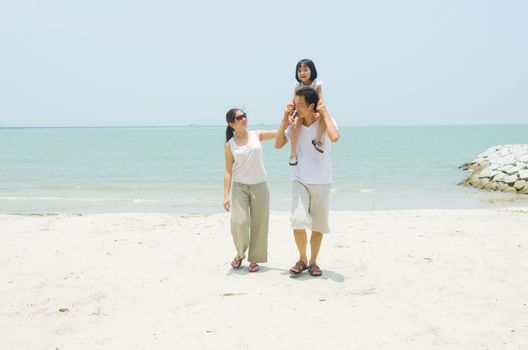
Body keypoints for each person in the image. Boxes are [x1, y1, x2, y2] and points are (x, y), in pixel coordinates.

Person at [275, 87, 339, 276]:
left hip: (322, 180)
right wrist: (284, 118)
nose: (296, 108)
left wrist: (325, 112)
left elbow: (335, 137)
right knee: (298, 220)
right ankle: (302, 259)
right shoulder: (295, 125)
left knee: (319, 225)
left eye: (300, 105)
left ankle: (313, 262)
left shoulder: (326, 122)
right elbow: (278, 144)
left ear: (312, 106)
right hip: (299, 179)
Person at [224, 108, 276, 272]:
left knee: (260, 224)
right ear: (232, 124)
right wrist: (225, 196)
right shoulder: (229, 145)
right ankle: (240, 253)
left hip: (259, 184)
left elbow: (279, 133)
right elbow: (227, 172)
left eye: (244, 115)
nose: (244, 119)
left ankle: (255, 259)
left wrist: (290, 118)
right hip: (239, 186)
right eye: (239, 117)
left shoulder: (257, 135)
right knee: (239, 222)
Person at [288, 59, 326, 166]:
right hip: (301, 113)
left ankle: (317, 141)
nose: (302, 73)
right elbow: (293, 102)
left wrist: (319, 112)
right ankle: (293, 154)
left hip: (313, 110)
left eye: (305, 70)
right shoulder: (297, 86)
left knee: (324, 120)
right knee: (295, 127)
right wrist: (289, 115)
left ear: (312, 71)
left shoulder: (316, 84)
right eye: (299, 71)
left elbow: (320, 99)